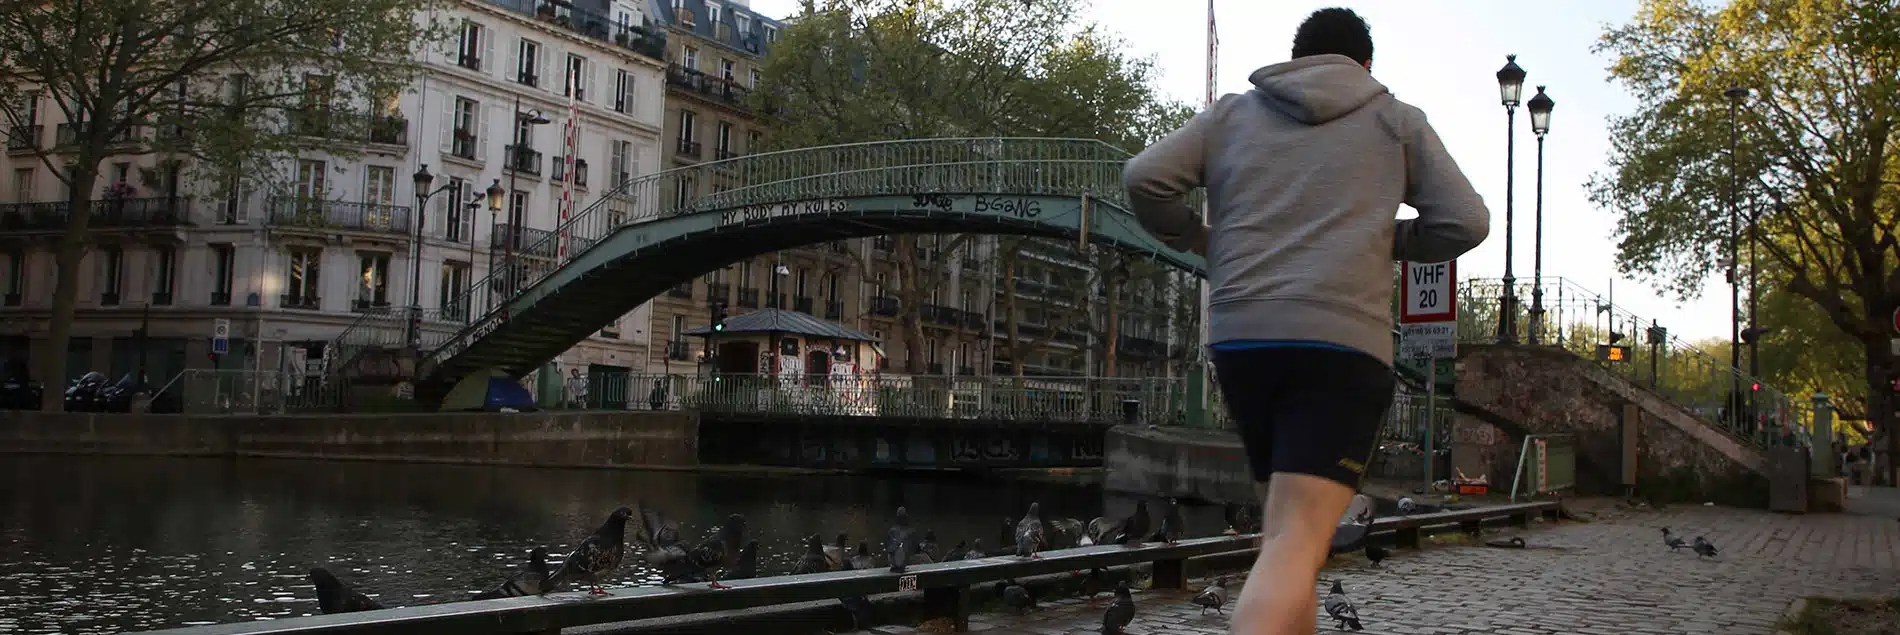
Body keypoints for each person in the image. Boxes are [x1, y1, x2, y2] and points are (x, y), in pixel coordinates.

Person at [1121, 8, 1490, 635]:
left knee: (1286, 534)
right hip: (1341, 346)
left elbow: (1144, 177)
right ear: (1365, 65)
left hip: (1243, 340)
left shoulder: (1233, 115)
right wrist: (1394, 240)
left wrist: (1201, 239)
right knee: (1299, 539)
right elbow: (1466, 221)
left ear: (1297, 60)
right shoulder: (1394, 121)